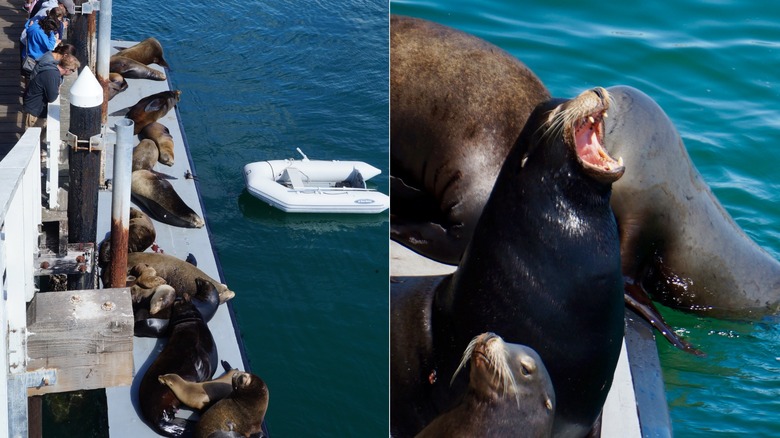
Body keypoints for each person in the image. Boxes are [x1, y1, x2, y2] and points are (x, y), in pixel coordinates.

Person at [23, 53, 80, 135]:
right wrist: (57, 89)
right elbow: (52, 97)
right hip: (34, 112)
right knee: (31, 138)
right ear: (67, 69)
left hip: (35, 108)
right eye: (73, 70)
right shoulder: (52, 75)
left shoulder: (52, 68)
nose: (72, 73)